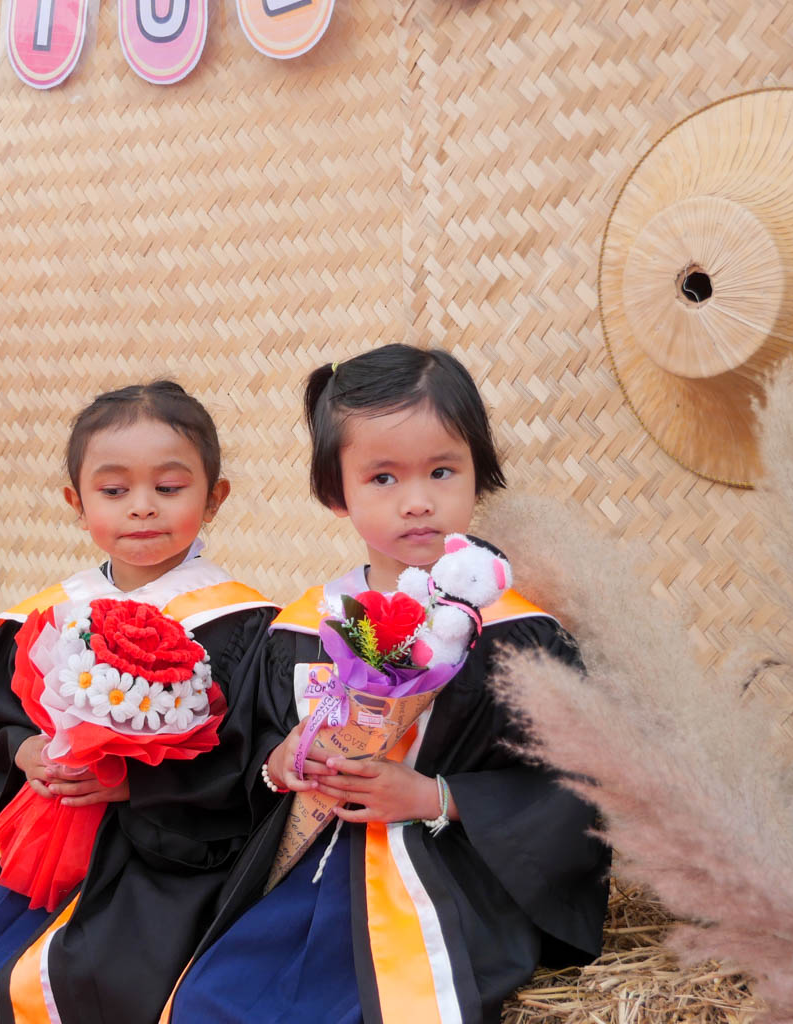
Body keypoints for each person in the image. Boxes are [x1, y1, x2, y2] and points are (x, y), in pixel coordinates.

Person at [167, 344, 610, 1024]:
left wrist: (437, 796)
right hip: (309, 873)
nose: (418, 502)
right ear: (334, 492)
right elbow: (244, 757)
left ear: (479, 473)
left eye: (442, 471)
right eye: (382, 478)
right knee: (210, 1000)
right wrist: (281, 763)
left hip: (453, 882)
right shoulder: (301, 629)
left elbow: (575, 791)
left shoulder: (518, 635)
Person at [0, 381, 279, 1024]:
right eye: (114, 491)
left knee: (59, 985)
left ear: (214, 498)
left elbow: (248, 766)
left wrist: (135, 785)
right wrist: (29, 753)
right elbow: (0, 722)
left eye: (169, 488)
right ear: (77, 504)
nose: (142, 508)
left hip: (165, 859)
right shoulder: (48, 617)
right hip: (49, 846)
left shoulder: (242, 626)